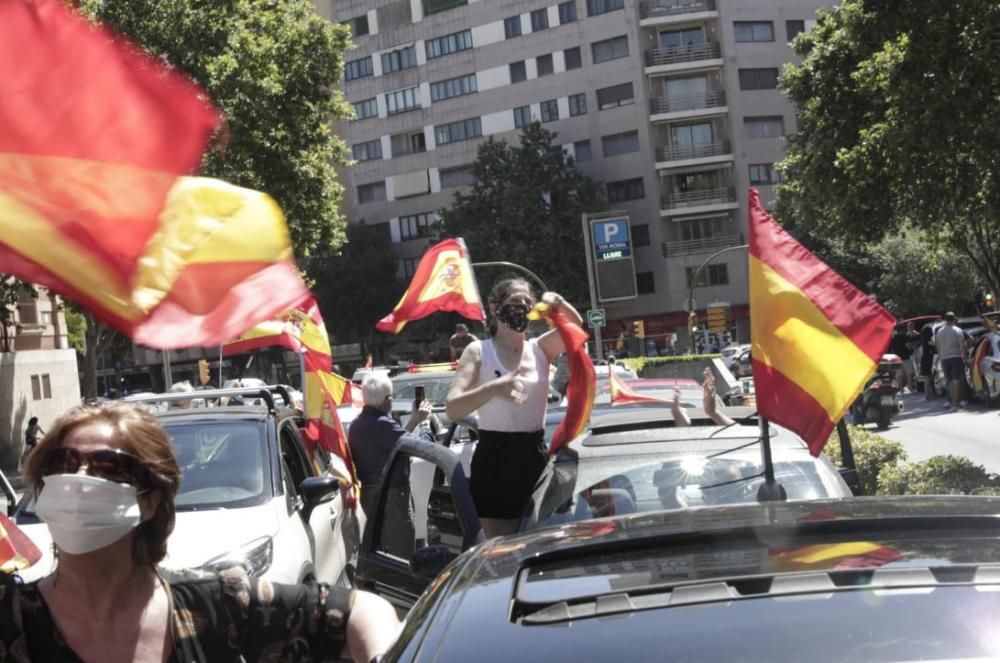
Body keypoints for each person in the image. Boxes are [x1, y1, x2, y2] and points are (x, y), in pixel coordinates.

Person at [1, 402, 400, 662]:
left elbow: (360, 611)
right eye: (63, 462)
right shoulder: (10, 619)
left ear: (150, 500)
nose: (78, 477)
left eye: (108, 467)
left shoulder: (218, 604)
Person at [446, 278, 582, 538]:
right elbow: (452, 408)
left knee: (546, 540)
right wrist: (494, 388)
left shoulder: (540, 349)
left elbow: (576, 327)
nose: (522, 309)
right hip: (495, 457)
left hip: (535, 454)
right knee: (504, 550)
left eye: (527, 304)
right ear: (495, 307)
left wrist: (560, 303)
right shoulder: (479, 351)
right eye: (515, 302)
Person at [349, 373, 437, 557]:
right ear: (387, 401)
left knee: (377, 552)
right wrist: (426, 424)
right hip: (394, 498)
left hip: (369, 495)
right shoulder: (384, 425)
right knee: (403, 554)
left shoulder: (356, 425)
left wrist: (414, 420)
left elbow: (395, 442)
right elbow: (422, 447)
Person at [935, 311, 968, 410]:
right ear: (954, 319)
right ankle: (955, 402)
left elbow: (938, 345)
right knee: (956, 380)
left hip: (945, 358)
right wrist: (965, 357)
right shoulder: (957, 330)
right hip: (956, 357)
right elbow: (962, 346)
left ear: (945, 319)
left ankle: (951, 401)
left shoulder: (940, 331)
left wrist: (941, 357)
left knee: (949, 381)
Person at [920, 321, 938, 399]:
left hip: (925, 359)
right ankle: (927, 395)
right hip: (927, 360)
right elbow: (933, 344)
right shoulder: (928, 340)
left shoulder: (924, 340)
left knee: (928, 378)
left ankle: (929, 394)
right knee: (927, 378)